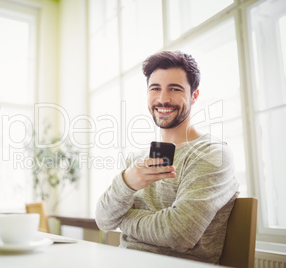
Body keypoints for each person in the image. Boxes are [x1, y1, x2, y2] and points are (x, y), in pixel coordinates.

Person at [95, 50, 239, 264]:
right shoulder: (137, 161)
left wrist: (123, 220)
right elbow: (103, 219)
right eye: (155, 89)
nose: (163, 99)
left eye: (175, 89)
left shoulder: (213, 154)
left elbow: (179, 234)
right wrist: (127, 182)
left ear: (194, 96)